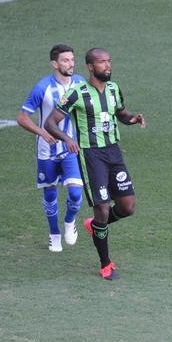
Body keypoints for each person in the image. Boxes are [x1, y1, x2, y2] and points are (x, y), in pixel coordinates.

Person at [44, 47, 145, 281]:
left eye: (109, 61)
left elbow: (121, 114)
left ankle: (96, 225)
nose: (107, 66)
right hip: (91, 156)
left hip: (114, 153)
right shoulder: (77, 93)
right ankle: (106, 264)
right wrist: (68, 139)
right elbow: (51, 123)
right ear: (90, 67)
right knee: (102, 207)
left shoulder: (113, 89)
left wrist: (133, 119)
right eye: (102, 62)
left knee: (127, 207)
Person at [17, 44, 85, 252]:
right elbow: (22, 117)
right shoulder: (42, 88)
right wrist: (42, 132)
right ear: (54, 64)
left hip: (70, 148)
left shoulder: (81, 83)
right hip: (47, 151)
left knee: (75, 193)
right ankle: (54, 233)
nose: (71, 64)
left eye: (72, 59)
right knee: (50, 193)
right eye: (65, 60)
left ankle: (69, 222)